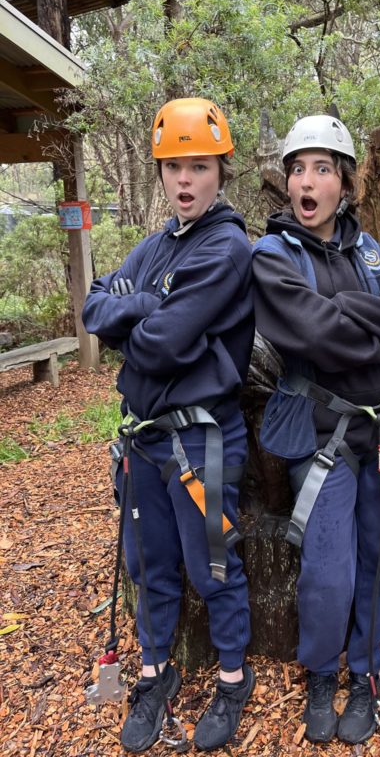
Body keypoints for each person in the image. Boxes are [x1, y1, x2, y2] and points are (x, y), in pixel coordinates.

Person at [252, 115, 380, 745]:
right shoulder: (273, 256)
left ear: (344, 184)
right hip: (322, 432)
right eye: (297, 168)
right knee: (327, 570)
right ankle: (323, 673)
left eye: (322, 169)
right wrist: (374, 321)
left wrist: (354, 309)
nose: (307, 180)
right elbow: (314, 334)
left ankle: (364, 674)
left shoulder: (370, 251)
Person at [82, 98, 255, 753]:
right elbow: (95, 309)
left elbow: (160, 346)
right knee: (147, 559)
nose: (185, 180)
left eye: (200, 166)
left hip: (202, 438)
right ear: (160, 173)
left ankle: (234, 677)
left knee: (211, 565)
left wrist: (144, 310)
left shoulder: (227, 248)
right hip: (145, 439)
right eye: (174, 166)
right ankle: (156, 671)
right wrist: (148, 305)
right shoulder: (154, 247)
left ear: (220, 172)